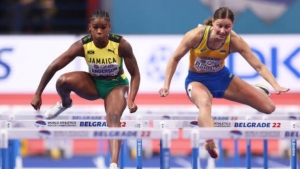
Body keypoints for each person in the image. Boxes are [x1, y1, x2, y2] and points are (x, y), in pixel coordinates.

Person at [158, 7, 290, 159]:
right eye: (219, 25)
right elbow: (174, 58)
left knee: (269, 107)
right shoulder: (196, 35)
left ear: (232, 25)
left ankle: (258, 91)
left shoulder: (235, 41)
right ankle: (210, 141)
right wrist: (166, 85)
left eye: (227, 27)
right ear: (213, 22)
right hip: (197, 81)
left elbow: (258, 66)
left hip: (222, 79)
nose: (222, 31)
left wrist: (276, 85)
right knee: (205, 104)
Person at [30, 9, 140, 169]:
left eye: (103, 27)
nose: (99, 31)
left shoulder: (121, 45)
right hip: (93, 84)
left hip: (116, 86)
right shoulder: (83, 45)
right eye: (96, 27)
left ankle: (113, 163)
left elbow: (135, 74)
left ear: (109, 27)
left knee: (114, 117)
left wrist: (131, 99)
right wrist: (38, 93)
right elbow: (54, 66)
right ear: (89, 27)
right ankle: (65, 104)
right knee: (62, 81)